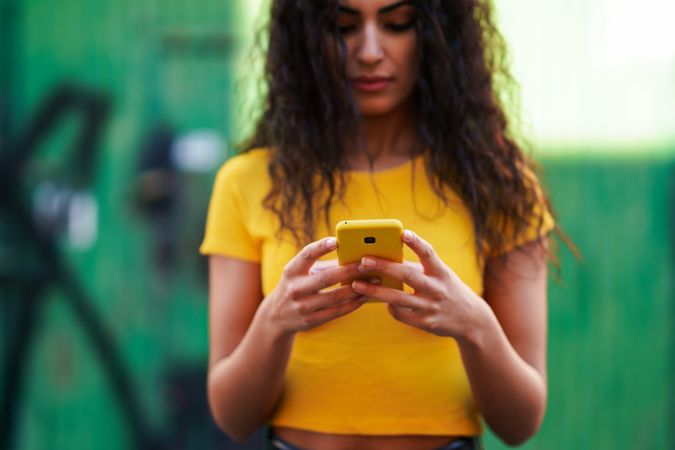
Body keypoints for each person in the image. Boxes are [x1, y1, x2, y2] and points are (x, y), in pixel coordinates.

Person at [200, 1, 559, 449]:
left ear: (439, 34)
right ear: (306, 39)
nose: (369, 51)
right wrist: (274, 321)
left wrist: (475, 326)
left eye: (398, 24)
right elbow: (233, 418)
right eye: (343, 26)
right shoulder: (247, 183)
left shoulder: (498, 185)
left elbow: (520, 423)